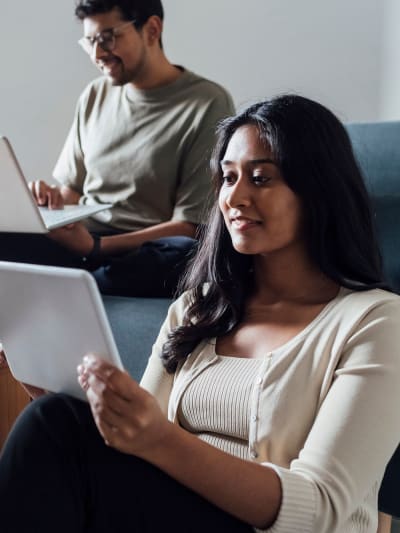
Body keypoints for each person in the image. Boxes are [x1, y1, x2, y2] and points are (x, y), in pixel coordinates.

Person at [1, 94, 400, 533]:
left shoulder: (376, 322)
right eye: (228, 178)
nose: (235, 197)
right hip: (174, 514)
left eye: (261, 178)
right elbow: (139, 442)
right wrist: (92, 408)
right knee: (57, 420)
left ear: (319, 188)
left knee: (52, 427)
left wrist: (159, 438)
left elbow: (321, 508)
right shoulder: (199, 307)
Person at [0, 0, 234, 297]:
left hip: (144, 249)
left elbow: (191, 225)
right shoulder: (95, 95)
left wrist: (97, 247)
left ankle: (79, 286)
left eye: (107, 39)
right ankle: (83, 284)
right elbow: (71, 192)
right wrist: (45, 202)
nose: (97, 54)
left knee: (185, 252)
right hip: (83, 241)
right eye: (90, 42)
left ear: (151, 29)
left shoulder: (207, 103)